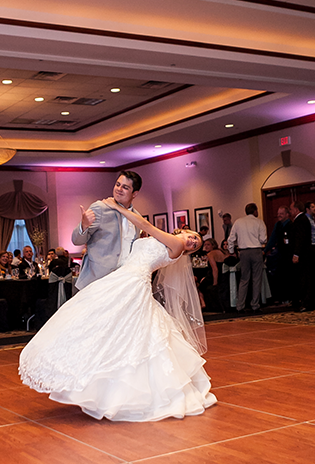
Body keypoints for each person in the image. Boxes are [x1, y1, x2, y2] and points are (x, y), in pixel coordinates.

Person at [20, 198, 216, 422]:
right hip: (121, 277)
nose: (192, 241)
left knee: (121, 331)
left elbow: (147, 226)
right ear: (185, 229)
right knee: (108, 327)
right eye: (193, 236)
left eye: (196, 244)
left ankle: (120, 391)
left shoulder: (176, 246)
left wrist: (117, 207)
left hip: (133, 282)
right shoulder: (167, 240)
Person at [71, 170, 143, 292]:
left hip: (124, 281)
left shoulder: (136, 217)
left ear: (134, 194)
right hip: (99, 281)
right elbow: (76, 240)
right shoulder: (100, 208)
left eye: (125, 187)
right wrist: (84, 225)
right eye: (117, 184)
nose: (119, 189)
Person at [227, 203, 267, 313]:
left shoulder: (238, 222)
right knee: (256, 279)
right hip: (256, 251)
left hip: (243, 252)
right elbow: (263, 239)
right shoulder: (259, 222)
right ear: (255, 211)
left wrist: (231, 251)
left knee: (244, 279)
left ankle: (240, 305)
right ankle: (255, 305)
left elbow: (231, 239)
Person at [290, 201, 315, 312]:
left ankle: (307, 302)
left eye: (291, 209)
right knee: (307, 278)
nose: (290, 211)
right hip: (306, 253)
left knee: (305, 279)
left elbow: (300, 238)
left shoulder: (300, 220)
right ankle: (310, 301)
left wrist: (296, 254)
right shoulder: (303, 219)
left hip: (303, 255)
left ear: (296, 209)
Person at [264, 206, 293, 305]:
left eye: (281, 213)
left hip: (288, 254)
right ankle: (280, 297)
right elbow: (272, 239)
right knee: (279, 276)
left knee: (288, 277)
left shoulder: (290, 225)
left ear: (287, 214)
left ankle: (289, 297)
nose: (279, 215)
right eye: (278, 213)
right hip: (279, 255)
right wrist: (265, 251)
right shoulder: (277, 225)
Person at [198, 238, 228, 312]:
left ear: (213, 245)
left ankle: (203, 303)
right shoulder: (222, 252)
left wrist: (215, 282)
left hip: (214, 276)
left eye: (208, 245)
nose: (206, 247)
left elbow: (215, 269)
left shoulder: (211, 254)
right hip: (224, 276)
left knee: (199, 285)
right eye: (205, 245)